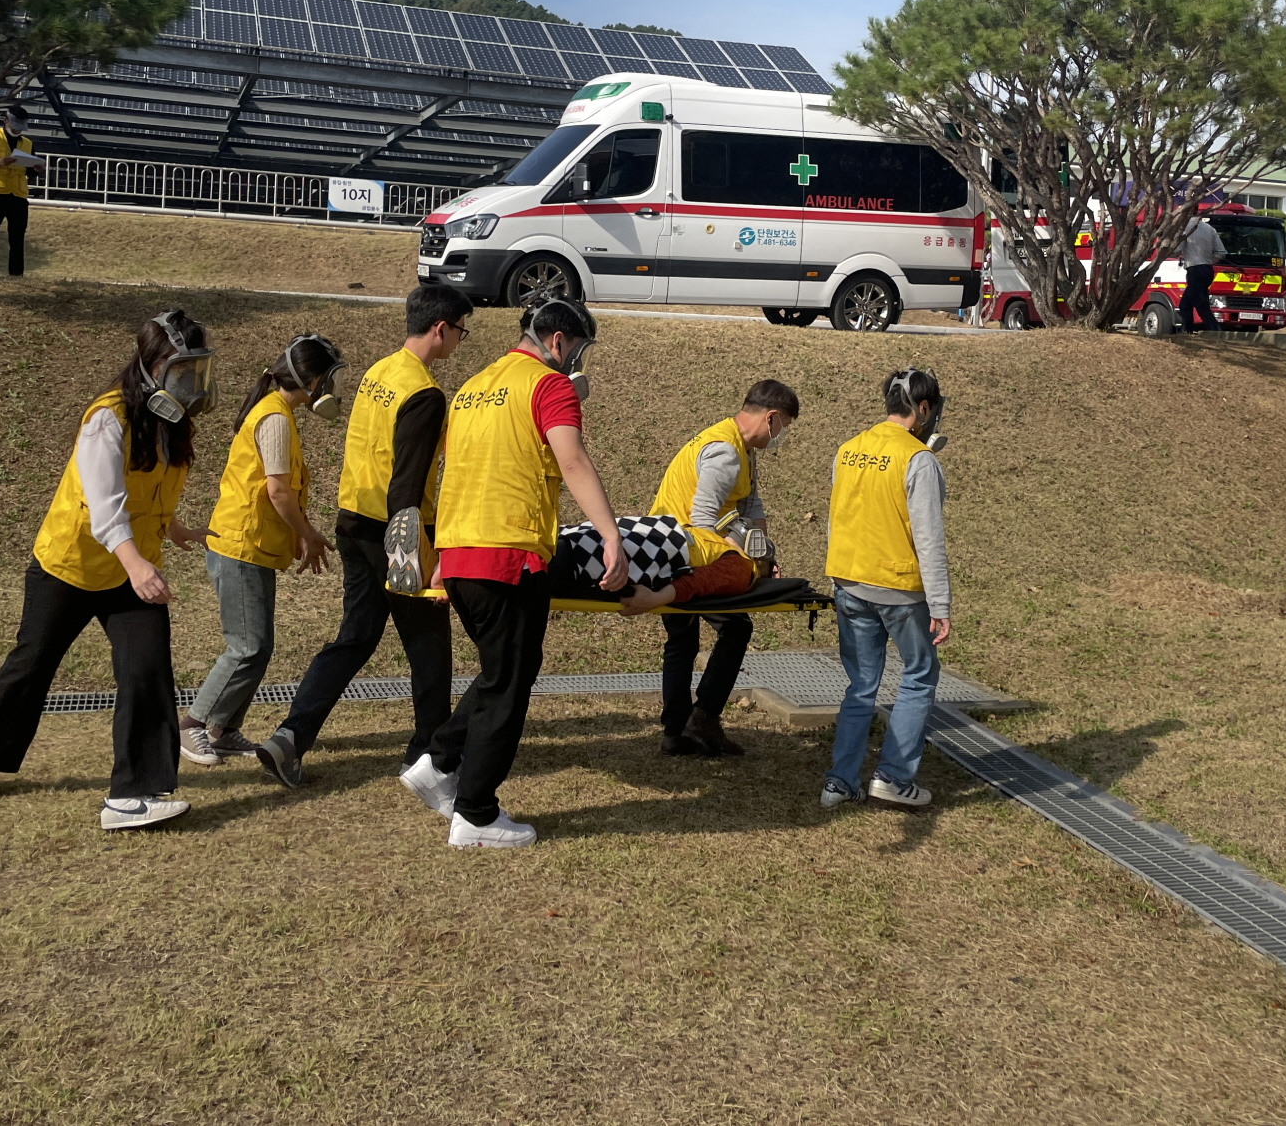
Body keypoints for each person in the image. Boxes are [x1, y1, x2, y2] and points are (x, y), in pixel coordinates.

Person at [0, 309, 217, 830]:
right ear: (152, 365)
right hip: (70, 565)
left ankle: (132, 796)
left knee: (147, 669)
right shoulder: (106, 418)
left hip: (129, 568)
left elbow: (148, 490)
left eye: (198, 371)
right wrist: (138, 564)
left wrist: (173, 528)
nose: (192, 383)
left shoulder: (173, 423)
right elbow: (105, 506)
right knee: (31, 668)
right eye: (183, 370)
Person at [397, 297, 627, 849]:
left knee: (504, 670)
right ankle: (475, 813)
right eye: (578, 350)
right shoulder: (549, 386)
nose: (576, 362)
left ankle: (439, 762)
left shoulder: (475, 388)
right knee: (509, 682)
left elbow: (456, 469)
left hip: (459, 553)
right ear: (557, 341)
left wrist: (436, 557)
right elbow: (571, 460)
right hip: (508, 555)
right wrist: (611, 534)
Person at [254, 286, 474, 789]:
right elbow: (408, 483)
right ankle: (429, 759)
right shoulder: (425, 394)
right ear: (440, 328)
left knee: (355, 637)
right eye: (461, 329)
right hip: (395, 530)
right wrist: (414, 557)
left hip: (353, 520)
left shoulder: (379, 371)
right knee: (428, 646)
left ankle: (290, 735)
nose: (461, 339)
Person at [180, 334, 343, 767]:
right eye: (327, 379)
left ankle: (223, 728)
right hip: (239, 546)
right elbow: (278, 493)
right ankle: (193, 725)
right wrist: (307, 534)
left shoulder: (278, 412)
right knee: (246, 646)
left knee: (259, 644)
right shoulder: (275, 418)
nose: (329, 389)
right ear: (310, 380)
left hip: (250, 547)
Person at [621, 379, 800, 758]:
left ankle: (675, 732)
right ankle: (702, 718)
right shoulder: (725, 453)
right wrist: (740, 560)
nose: (782, 435)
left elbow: (753, 509)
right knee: (736, 626)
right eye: (784, 425)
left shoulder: (740, 448)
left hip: (672, 551)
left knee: (682, 640)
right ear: (770, 418)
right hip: (686, 555)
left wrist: (763, 556)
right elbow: (703, 521)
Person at [821, 368, 952, 812]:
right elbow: (929, 539)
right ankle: (894, 776)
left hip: (849, 579)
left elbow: (840, 515)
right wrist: (940, 603)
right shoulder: (919, 460)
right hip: (898, 588)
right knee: (919, 676)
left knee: (861, 684)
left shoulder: (849, 449)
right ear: (924, 408)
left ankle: (840, 781)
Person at [0, 105, 43, 277]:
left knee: (17, 239)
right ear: (5, 121)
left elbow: (28, 172)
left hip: (18, 195)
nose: (18, 130)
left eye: (21, 127)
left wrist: (36, 170)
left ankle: (16, 275)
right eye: (15, 126)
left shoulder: (28, 143)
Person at [1176, 213, 1227, 332]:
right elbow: (1221, 253)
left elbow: (1176, 249)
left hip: (1194, 270)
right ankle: (1191, 331)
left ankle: (1213, 330)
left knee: (1190, 305)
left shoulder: (1184, 227)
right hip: (1208, 270)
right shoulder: (1209, 228)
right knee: (1195, 303)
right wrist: (1207, 261)